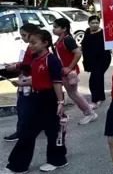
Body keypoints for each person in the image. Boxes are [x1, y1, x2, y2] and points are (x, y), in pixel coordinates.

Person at [6, 30, 68, 173]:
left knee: (54, 133)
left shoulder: (52, 60)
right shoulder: (35, 58)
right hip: (36, 99)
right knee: (26, 132)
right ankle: (17, 166)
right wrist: (23, 83)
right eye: (29, 43)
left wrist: (60, 103)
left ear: (45, 43)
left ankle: (58, 160)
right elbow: (39, 78)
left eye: (34, 43)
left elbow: (56, 82)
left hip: (50, 99)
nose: (30, 46)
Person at [52, 18, 98, 125]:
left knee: (73, 93)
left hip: (69, 72)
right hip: (64, 71)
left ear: (64, 28)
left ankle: (89, 113)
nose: (53, 29)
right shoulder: (60, 40)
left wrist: (69, 68)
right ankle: (88, 112)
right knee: (73, 93)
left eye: (56, 27)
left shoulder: (67, 40)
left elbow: (78, 53)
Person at [3, 23, 40, 142]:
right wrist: (16, 65)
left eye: (24, 35)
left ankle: (21, 131)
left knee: (23, 107)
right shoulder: (31, 46)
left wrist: (16, 66)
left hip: (29, 80)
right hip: (28, 78)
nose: (22, 38)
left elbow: (31, 64)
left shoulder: (34, 48)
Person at [81, 15, 111, 109]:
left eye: (97, 23)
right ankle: (101, 98)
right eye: (93, 23)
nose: (95, 25)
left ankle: (95, 100)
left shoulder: (103, 33)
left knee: (94, 80)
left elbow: (108, 47)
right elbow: (84, 44)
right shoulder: (87, 31)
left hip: (102, 60)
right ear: (89, 23)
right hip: (91, 60)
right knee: (98, 78)